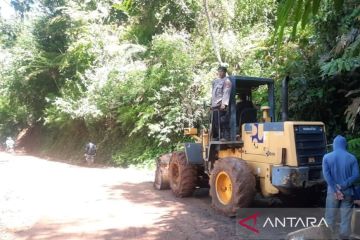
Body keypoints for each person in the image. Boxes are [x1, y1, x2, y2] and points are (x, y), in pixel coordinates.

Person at [323, 135, 360, 239]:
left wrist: (336, 189)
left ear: (334, 145)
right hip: (348, 192)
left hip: (332, 192)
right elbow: (356, 175)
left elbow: (327, 175)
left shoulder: (327, 157)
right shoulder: (352, 158)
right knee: (346, 218)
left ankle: (328, 237)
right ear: (345, 145)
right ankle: (343, 237)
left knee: (330, 217)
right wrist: (344, 185)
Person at [211, 66, 232, 140]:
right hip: (215, 106)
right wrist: (212, 105)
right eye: (219, 71)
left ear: (225, 72)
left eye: (221, 71)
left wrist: (224, 104)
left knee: (223, 121)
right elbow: (214, 94)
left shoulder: (227, 81)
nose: (220, 73)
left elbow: (226, 92)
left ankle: (225, 137)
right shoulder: (216, 81)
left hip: (221, 105)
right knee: (215, 122)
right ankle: (218, 136)